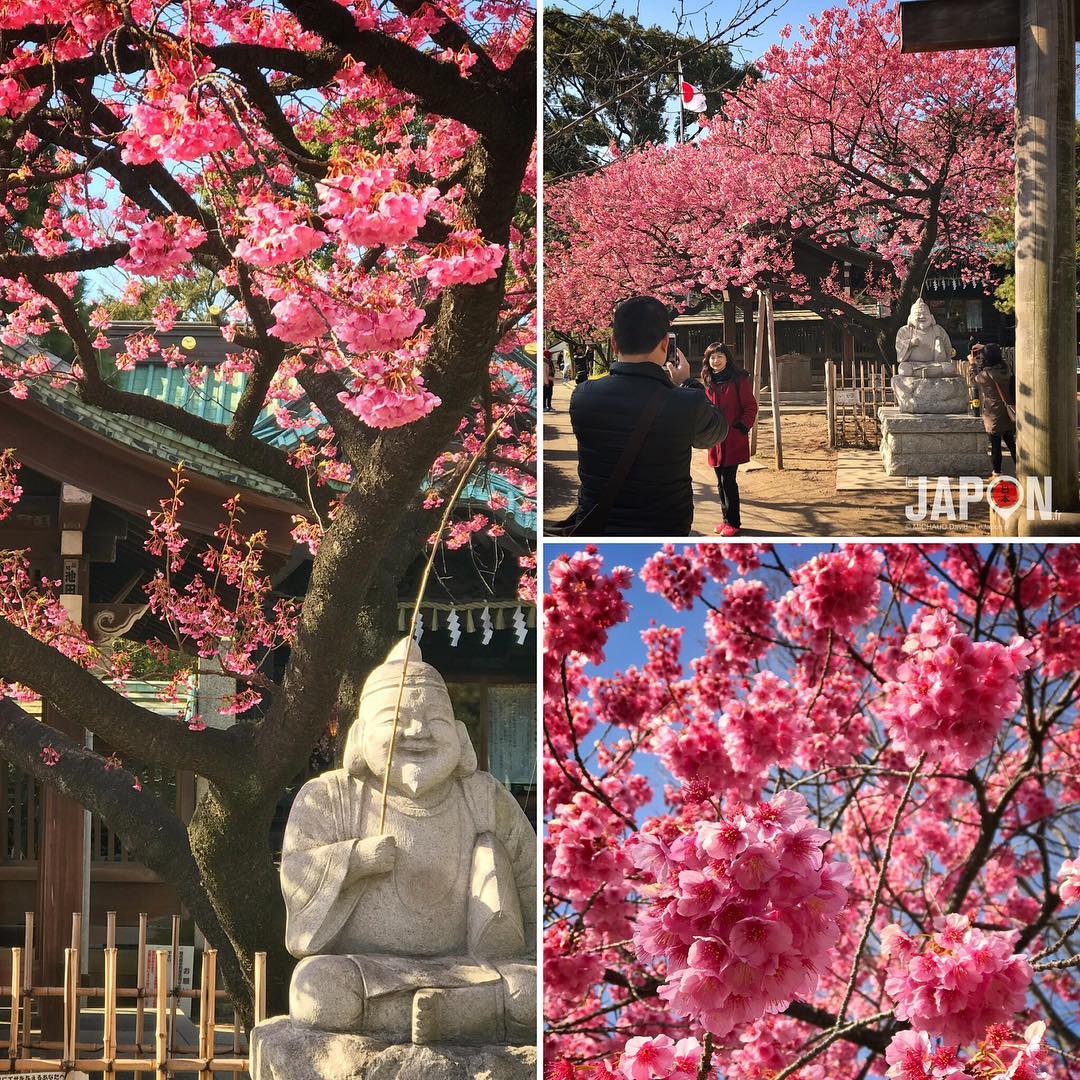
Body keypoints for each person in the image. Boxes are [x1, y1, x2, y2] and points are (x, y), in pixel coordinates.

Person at [566, 295, 728, 535]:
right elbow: (716, 432)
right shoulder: (685, 401)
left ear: (613, 343)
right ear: (665, 343)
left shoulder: (583, 396)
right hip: (664, 524)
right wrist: (687, 383)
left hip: (598, 521)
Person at [700, 342, 758, 536]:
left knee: (728, 480)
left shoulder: (738, 380)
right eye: (712, 357)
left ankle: (734, 522)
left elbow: (750, 406)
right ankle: (725, 520)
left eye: (720, 357)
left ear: (727, 359)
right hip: (715, 438)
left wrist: (742, 426)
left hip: (733, 436)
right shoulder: (708, 381)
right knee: (719, 481)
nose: (716, 361)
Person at [974, 343, 1017, 474]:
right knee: (1011, 442)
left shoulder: (986, 375)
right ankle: (1021, 468)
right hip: (1009, 411)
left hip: (993, 413)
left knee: (996, 444)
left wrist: (972, 364)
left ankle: (997, 472)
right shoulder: (1007, 368)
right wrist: (987, 349)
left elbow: (973, 379)